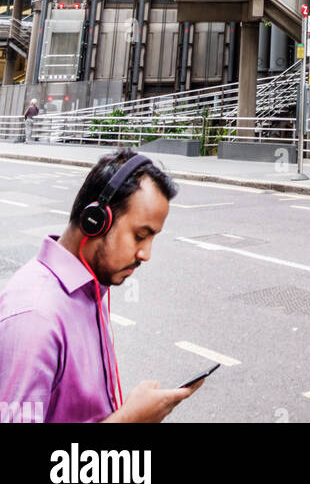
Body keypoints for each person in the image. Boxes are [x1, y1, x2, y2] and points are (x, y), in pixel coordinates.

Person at [0, 146, 206, 423]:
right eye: (139, 235)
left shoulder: (88, 289)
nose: (146, 254)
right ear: (95, 221)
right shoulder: (36, 318)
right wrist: (129, 419)